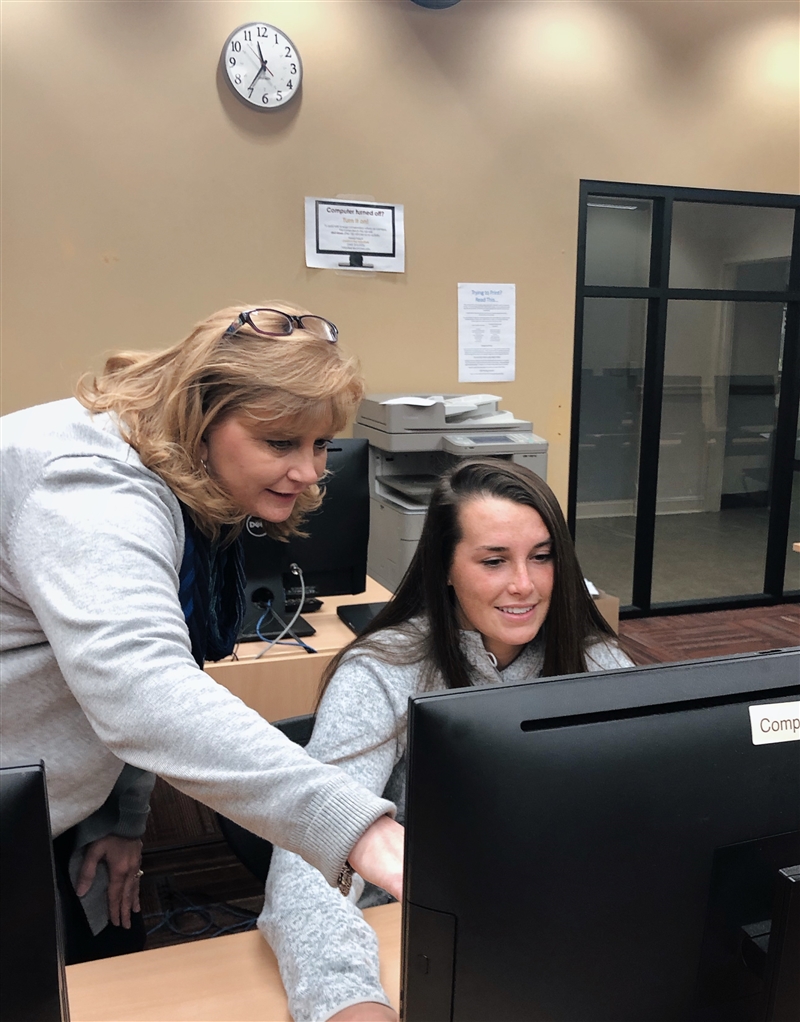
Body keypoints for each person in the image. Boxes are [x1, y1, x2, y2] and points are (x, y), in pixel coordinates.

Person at [0, 303, 403, 964]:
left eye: (321, 444)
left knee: (102, 960)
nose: (310, 472)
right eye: (281, 443)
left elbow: (159, 652)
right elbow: (140, 683)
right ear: (202, 418)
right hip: (15, 787)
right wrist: (354, 828)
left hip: (49, 785)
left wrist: (120, 817)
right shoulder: (88, 487)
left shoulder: (178, 467)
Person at [259, 458, 633, 1022]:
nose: (524, 585)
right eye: (493, 561)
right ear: (445, 568)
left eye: (541, 556)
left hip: (566, 930)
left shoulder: (598, 662)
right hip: (422, 935)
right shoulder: (384, 671)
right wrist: (348, 1002)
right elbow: (310, 860)